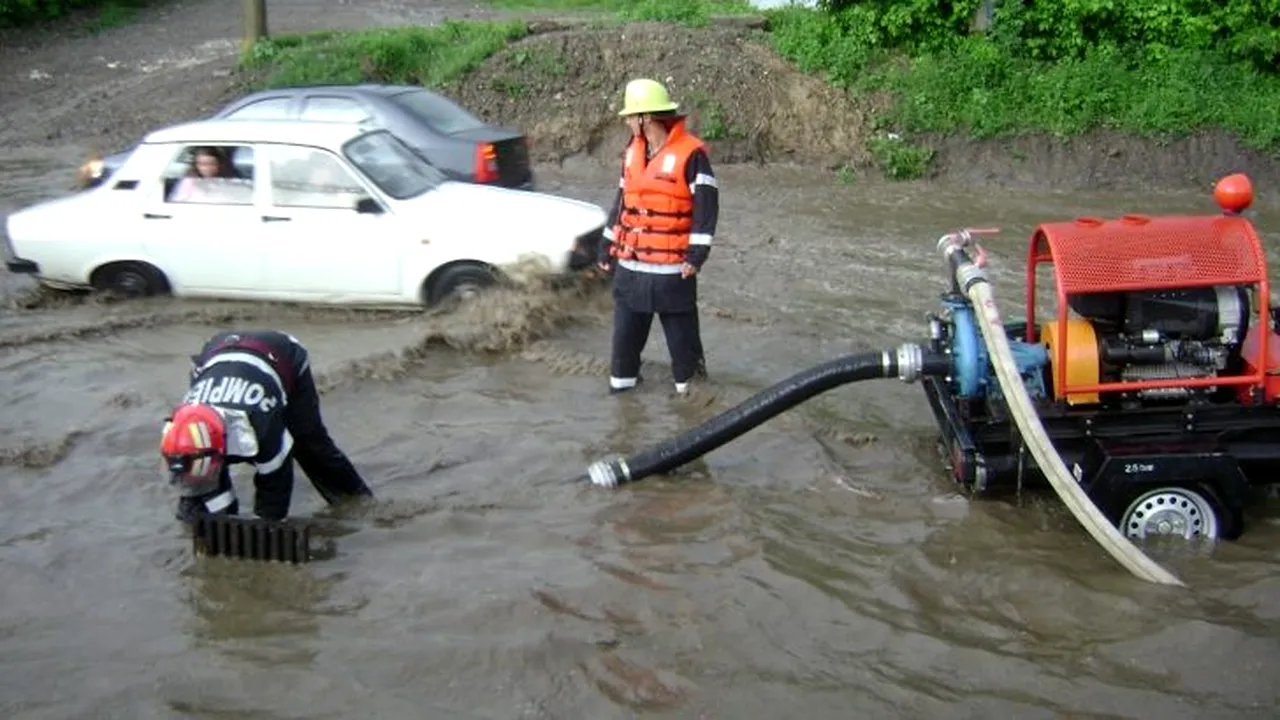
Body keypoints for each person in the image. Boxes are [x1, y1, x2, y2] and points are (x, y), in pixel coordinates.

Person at [159, 330, 374, 523]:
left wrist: (265, 524)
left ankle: (358, 505)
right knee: (198, 480)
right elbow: (192, 471)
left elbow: (275, 485)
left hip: (282, 354)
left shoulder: (260, 427)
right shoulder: (179, 429)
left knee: (309, 444)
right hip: (216, 353)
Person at [597, 78, 719, 395]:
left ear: (645, 117)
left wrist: (696, 256)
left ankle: (698, 413)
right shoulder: (632, 153)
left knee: (686, 360)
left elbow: (706, 208)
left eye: (629, 116)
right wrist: (607, 245)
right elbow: (622, 202)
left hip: (672, 274)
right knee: (623, 356)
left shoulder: (691, 155)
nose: (626, 122)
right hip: (631, 270)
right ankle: (624, 412)